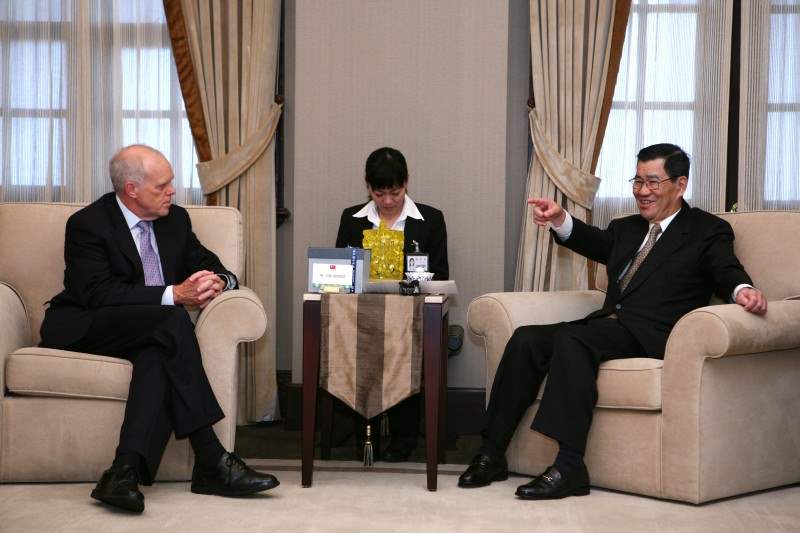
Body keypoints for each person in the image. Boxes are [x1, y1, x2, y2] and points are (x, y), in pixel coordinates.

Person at [458, 143, 767, 499]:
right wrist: (560, 219)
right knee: (527, 338)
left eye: (652, 182)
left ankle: (569, 466)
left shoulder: (706, 230)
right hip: (609, 326)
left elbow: (724, 267)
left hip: (656, 334)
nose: (642, 191)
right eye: (637, 181)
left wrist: (743, 290)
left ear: (680, 184)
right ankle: (491, 453)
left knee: (573, 340)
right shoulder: (627, 228)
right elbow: (594, 242)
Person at [39, 145, 279, 513]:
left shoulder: (174, 220)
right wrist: (174, 294)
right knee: (172, 319)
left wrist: (220, 281)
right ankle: (211, 458)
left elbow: (211, 264)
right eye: (162, 186)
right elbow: (97, 293)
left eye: (171, 183)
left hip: (149, 331)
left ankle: (123, 472)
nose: (172, 191)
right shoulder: (89, 224)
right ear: (131, 190)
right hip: (88, 324)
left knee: (157, 352)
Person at [336, 146, 448, 461]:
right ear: (368, 187)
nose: (387, 201)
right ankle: (364, 434)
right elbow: (342, 274)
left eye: (395, 193)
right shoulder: (352, 219)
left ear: (406, 183)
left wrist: (412, 281)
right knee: (357, 344)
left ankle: (403, 438)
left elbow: (441, 274)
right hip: (361, 319)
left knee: (404, 348)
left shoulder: (430, 220)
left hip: (410, 320)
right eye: (379, 193)